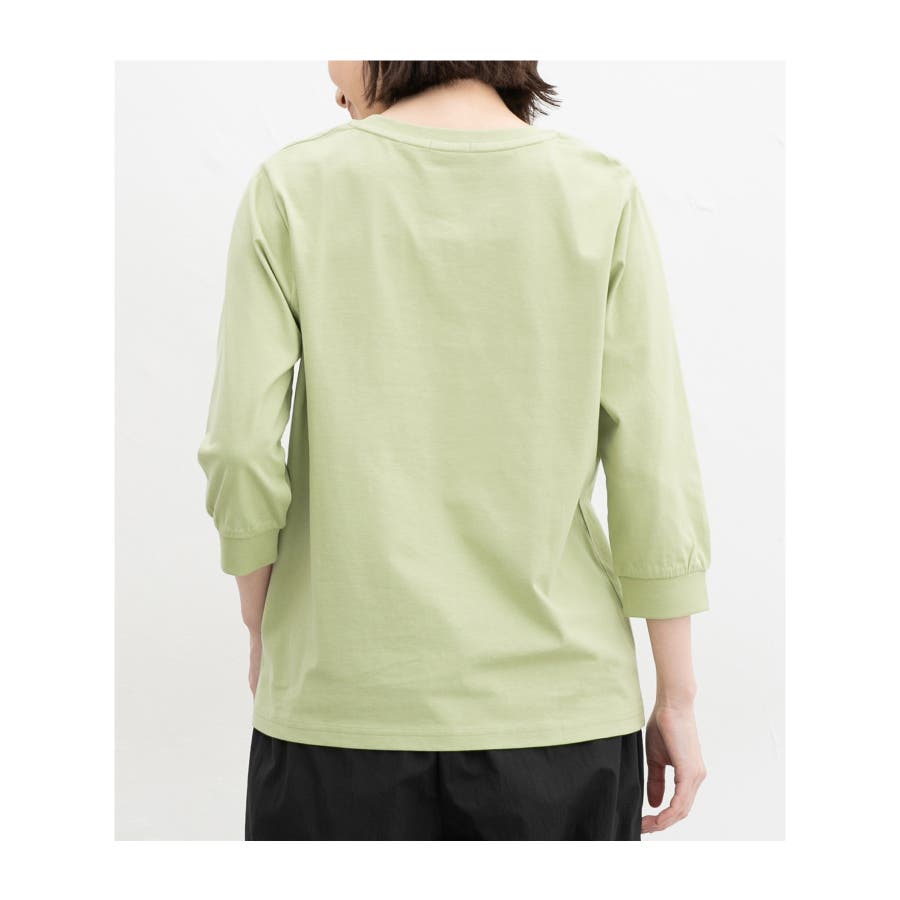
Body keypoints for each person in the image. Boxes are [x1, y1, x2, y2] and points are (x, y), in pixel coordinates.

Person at [197, 60, 711, 841]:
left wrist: (264, 624)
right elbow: (654, 461)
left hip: (342, 708)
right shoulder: (599, 191)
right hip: (562, 715)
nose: (330, 75)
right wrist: (678, 695)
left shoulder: (293, 186)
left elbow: (241, 449)